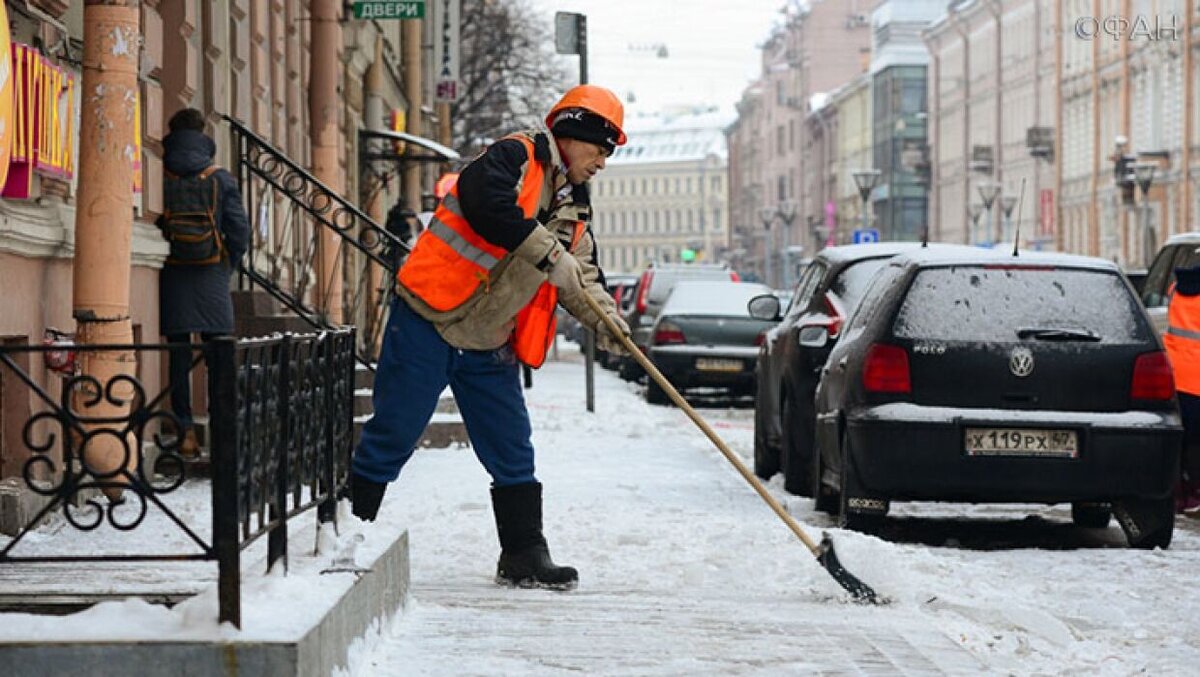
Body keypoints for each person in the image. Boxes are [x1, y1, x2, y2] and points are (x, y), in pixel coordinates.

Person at [348, 85, 632, 589]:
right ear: (573, 135)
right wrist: (549, 255)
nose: (603, 161)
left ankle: (524, 553)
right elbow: (485, 202)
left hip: (488, 339)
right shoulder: (516, 154)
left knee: (512, 447)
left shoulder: (576, 212)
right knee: (394, 431)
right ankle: (347, 532)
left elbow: (582, 279)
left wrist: (611, 327)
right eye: (601, 148)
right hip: (429, 318)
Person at [157, 108, 250, 458]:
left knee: (179, 357)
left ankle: (185, 435)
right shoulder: (219, 177)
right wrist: (228, 263)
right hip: (212, 273)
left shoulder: (159, 172)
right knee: (219, 356)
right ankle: (223, 433)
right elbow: (239, 230)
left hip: (173, 271)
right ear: (202, 133)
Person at [1164, 265, 1200, 514]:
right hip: (1197, 376)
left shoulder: (1175, 290)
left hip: (1175, 373)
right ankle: (1195, 492)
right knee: (1197, 439)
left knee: (1179, 435)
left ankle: (1177, 492)